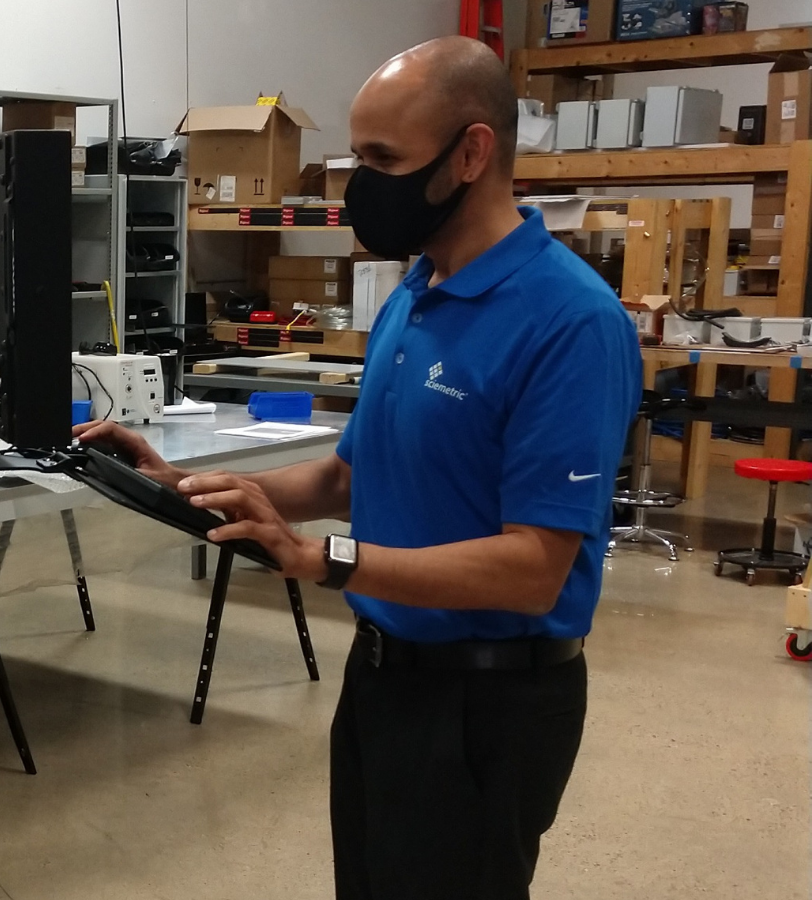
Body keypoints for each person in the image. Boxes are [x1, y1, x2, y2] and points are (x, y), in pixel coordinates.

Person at [76, 36, 641, 900]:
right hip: (382, 678)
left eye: (382, 159)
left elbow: (535, 569)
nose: (358, 187)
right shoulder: (418, 291)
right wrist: (181, 486)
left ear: (472, 152)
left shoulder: (570, 322)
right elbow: (348, 477)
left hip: (490, 705)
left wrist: (322, 559)